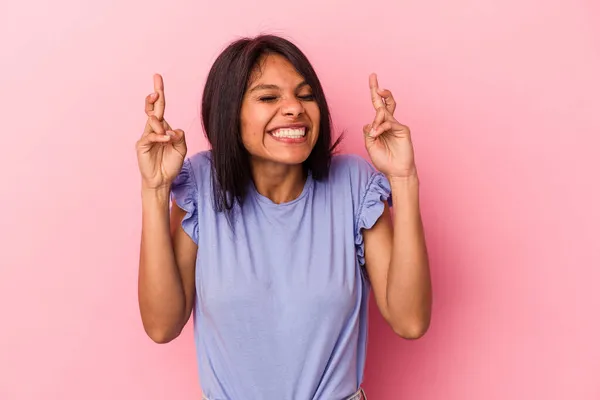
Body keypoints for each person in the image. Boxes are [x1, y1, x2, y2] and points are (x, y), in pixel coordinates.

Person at [135, 34, 432, 400]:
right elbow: (162, 326)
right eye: (268, 97)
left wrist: (403, 178)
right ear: (230, 112)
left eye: (305, 95)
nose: (294, 108)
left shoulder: (353, 185)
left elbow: (411, 320)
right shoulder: (201, 185)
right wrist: (155, 189)